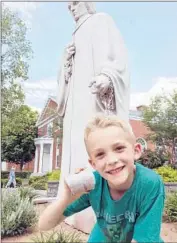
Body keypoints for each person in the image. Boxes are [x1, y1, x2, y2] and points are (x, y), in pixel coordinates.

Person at [38, 114, 165, 242]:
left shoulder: (149, 183)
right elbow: (44, 225)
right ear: (93, 164)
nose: (111, 160)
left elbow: (145, 239)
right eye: (100, 154)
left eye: (119, 148)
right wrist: (65, 199)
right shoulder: (92, 184)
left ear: (136, 151)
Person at [57, 2, 130, 176]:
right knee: (75, 148)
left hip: (94, 100)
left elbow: (119, 58)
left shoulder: (101, 21)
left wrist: (106, 77)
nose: (72, 9)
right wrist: (65, 60)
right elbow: (63, 80)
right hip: (74, 108)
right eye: (69, 7)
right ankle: (72, 194)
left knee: (94, 143)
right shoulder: (72, 39)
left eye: (76, 3)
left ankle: (97, 196)